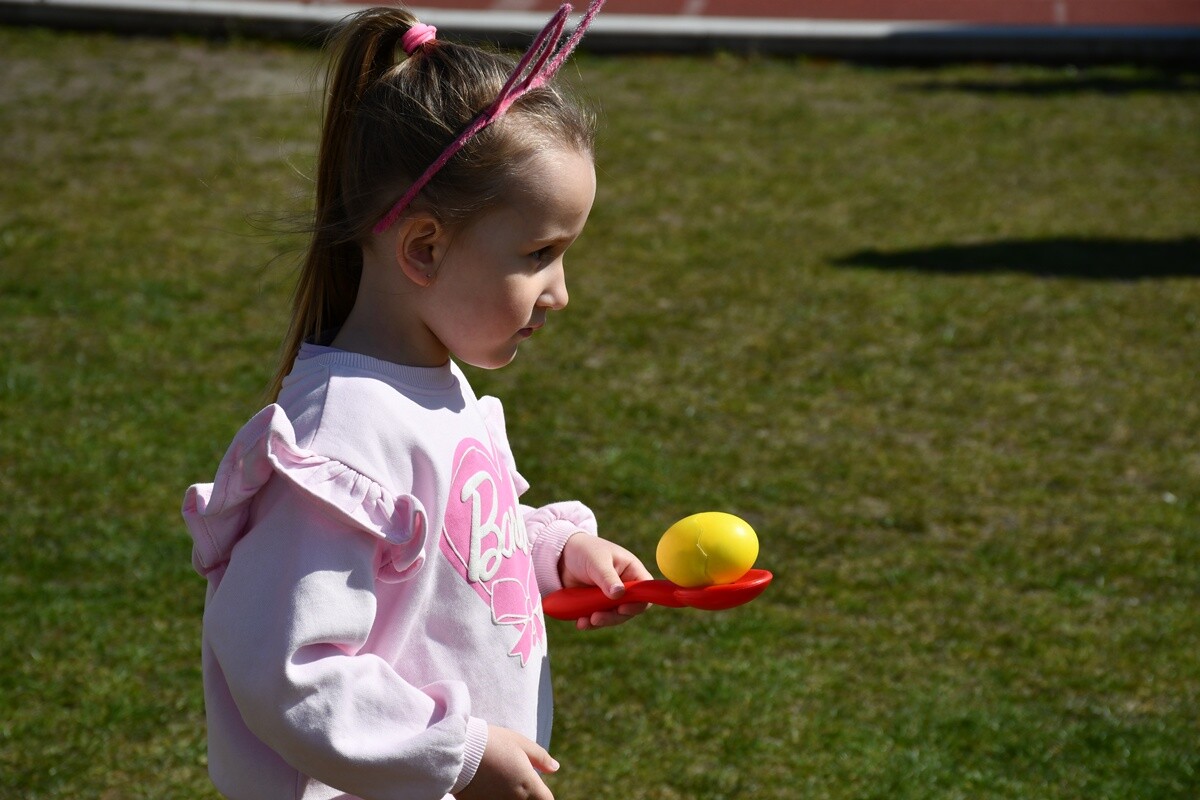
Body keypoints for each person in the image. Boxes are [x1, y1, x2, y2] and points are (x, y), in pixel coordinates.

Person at [182, 3, 650, 798]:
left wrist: (552, 553)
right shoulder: (339, 439)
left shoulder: (432, 386)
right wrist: (454, 753)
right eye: (540, 255)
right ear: (424, 249)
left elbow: (448, 550)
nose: (561, 293)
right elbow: (288, 670)